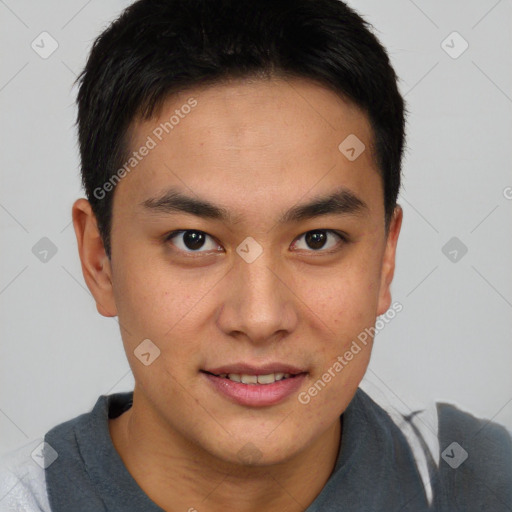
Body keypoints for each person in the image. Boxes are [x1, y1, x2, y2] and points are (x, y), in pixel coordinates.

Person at [1, 0, 511, 510]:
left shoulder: (478, 482)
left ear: (385, 257)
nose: (261, 317)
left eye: (317, 239)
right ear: (99, 260)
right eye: (193, 240)